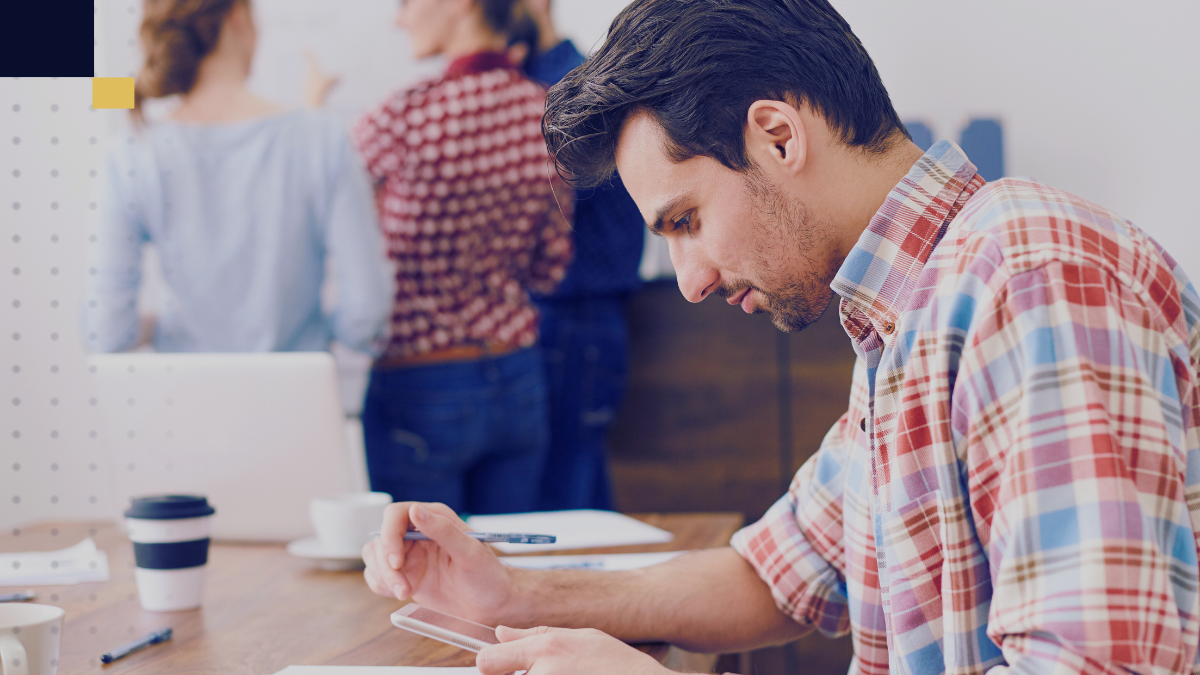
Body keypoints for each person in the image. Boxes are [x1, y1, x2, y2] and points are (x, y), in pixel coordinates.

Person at [359, 1, 1200, 674]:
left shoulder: (1024, 280)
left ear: (779, 135)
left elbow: (1099, 661)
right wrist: (512, 594)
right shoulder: (912, 307)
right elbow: (778, 570)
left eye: (685, 220)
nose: (687, 279)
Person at [352, 0, 573, 515]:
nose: (399, 18)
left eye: (406, 3)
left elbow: (336, 231)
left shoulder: (403, 117)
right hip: (517, 373)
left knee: (420, 575)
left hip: (420, 381)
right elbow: (551, 267)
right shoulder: (545, 113)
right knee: (505, 579)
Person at [86, 0, 393, 356]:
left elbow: (105, 332)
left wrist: (166, 330)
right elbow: (366, 314)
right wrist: (315, 334)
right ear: (238, 17)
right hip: (297, 402)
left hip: (183, 401)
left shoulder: (130, 154)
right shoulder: (322, 140)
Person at [508, 0, 646, 511]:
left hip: (574, 318)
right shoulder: (554, 82)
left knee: (563, 497)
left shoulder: (565, 90)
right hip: (576, 321)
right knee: (573, 488)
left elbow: (538, 218)